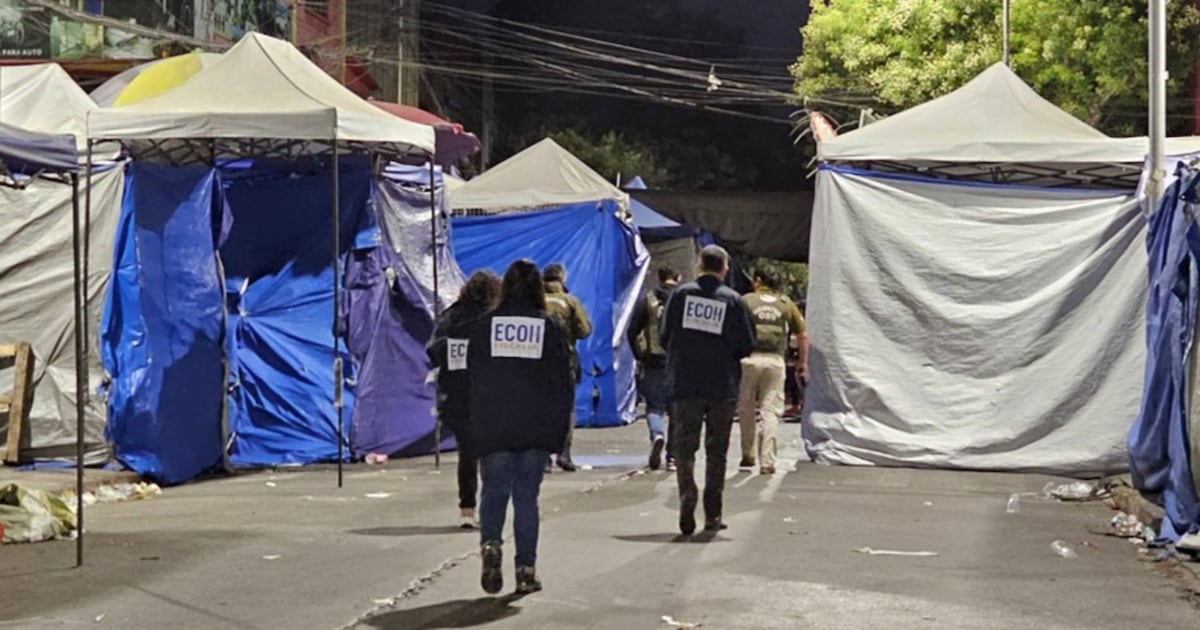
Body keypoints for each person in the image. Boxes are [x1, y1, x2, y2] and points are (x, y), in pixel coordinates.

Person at [466, 260, 574, 594]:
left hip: (494, 425)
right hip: (534, 426)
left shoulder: (483, 327)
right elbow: (563, 384)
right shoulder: (550, 327)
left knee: (494, 491)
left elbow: (470, 379)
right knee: (527, 498)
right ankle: (526, 569)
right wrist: (558, 436)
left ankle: (491, 546)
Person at [659, 245, 755, 535]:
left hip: (685, 382)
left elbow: (664, 336)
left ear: (700, 266)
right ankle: (713, 513)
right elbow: (746, 344)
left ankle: (687, 491)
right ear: (724, 269)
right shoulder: (734, 301)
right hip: (721, 385)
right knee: (717, 450)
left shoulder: (680, 295)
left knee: (684, 446)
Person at [426, 270, 502, 529]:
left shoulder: (451, 316)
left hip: (457, 394)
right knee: (492, 454)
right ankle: (492, 509)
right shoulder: (495, 319)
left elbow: (433, 350)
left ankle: (467, 510)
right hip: (491, 395)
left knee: (467, 455)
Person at [735, 268, 807, 475]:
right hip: (775, 361)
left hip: (748, 359)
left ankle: (748, 455)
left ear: (758, 281)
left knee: (746, 409)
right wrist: (803, 362)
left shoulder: (746, 300)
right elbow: (802, 334)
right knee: (770, 412)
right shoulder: (786, 303)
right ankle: (767, 461)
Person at [628, 265, 681, 470]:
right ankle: (673, 458)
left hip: (653, 361)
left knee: (655, 407)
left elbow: (632, 331)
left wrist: (639, 355)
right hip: (678, 362)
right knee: (677, 411)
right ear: (677, 278)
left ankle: (657, 434)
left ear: (659, 279)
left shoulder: (648, 300)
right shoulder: (684, 300)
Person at [542, 262, 592, 472]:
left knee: (541, 408)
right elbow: (584, 330)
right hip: (565, 360)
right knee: (567, 408)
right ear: (562, 278)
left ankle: (543, 458)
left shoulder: (533, 301)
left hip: (538, 362)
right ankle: (564, 454)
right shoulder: (570, 301)